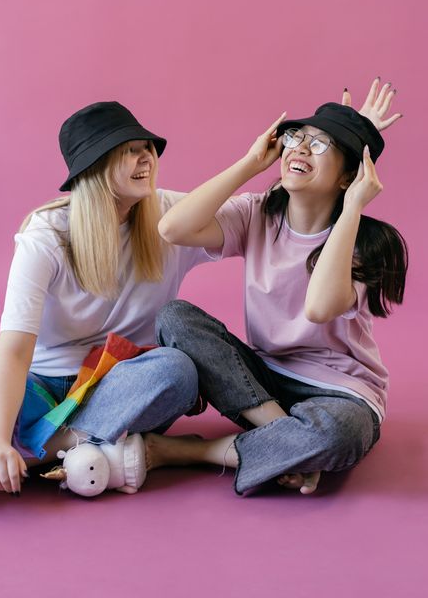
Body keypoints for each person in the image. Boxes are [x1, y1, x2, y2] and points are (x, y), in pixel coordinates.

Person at [0, 101, 212, 497]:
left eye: (147, 148)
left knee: (176, 369)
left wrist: (261, 165)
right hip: (39, 389)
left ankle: (27, 457)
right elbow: (14, 351)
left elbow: (250, 217)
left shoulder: (171, 216)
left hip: (116, 387)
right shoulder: (45, 236)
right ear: (95, 168)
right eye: (129, 150)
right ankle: (85, 450)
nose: (146, 159)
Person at [146, 80, 408, 495]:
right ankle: (285, 439)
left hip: (339, 392)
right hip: (262, 382)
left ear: (347, 178)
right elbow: (172, 227)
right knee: (175, 317)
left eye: (321, 145)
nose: (300, 148)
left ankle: (187, 452)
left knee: (342, 433)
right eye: (297, 137)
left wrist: (353, 208)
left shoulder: (367, 242)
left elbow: (320, 308)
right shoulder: (257, 213)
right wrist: (251, 163)